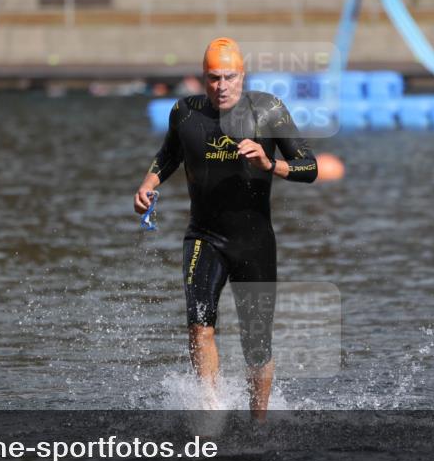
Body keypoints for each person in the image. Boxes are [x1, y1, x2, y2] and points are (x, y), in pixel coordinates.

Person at [133, 37, 318, 420]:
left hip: (254, 244)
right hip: (204, 237)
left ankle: (259, 424)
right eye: (213, 78)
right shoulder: (185, 112)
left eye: (229, 77)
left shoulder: (268, 111)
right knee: (200, 325)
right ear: (203, 78)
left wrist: (270, 165)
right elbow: (169, 155)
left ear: (242, 76)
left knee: (256, 345)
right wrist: (148, 184)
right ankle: (211, 410)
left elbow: (310, 167)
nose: (221, 86)